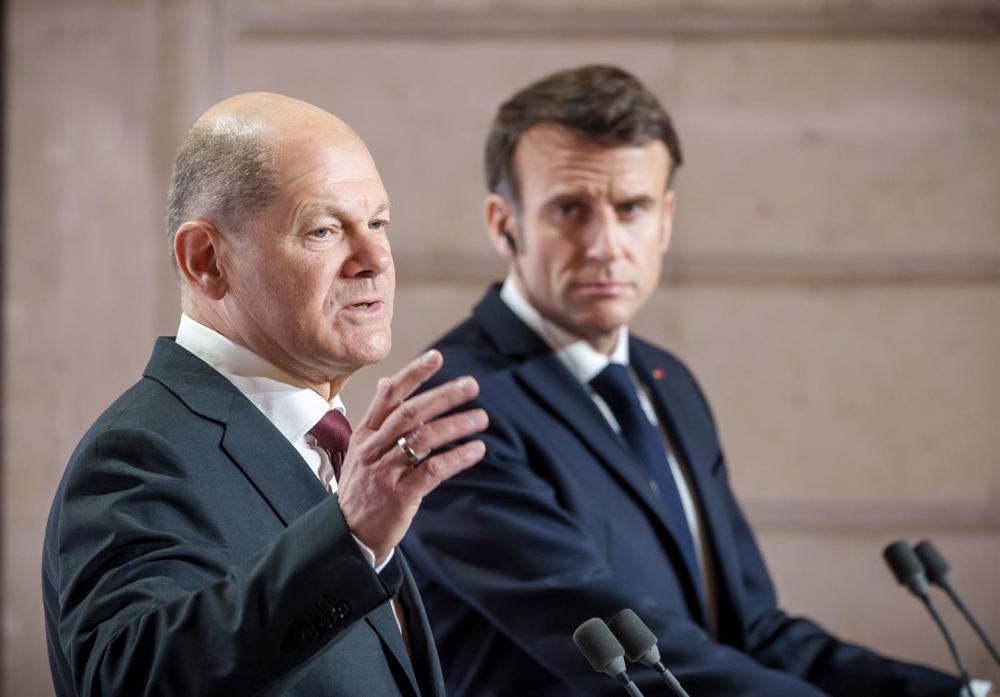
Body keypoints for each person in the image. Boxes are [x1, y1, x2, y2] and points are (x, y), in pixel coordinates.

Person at [402, 65, 977, 696]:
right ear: (503, 223)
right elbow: (631, 653)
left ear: (666, 221)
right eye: (569, 209)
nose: (606, 244)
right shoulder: (453, 406)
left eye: (632, 208)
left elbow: (752, 632)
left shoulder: (668, 382)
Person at [42, 92, 488, 697]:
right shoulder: (139, 452)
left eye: (378, 224)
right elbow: (132, 679)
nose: (376, 259)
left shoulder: (335, 449)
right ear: (206, 261)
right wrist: (349, 537)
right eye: (324, 230)